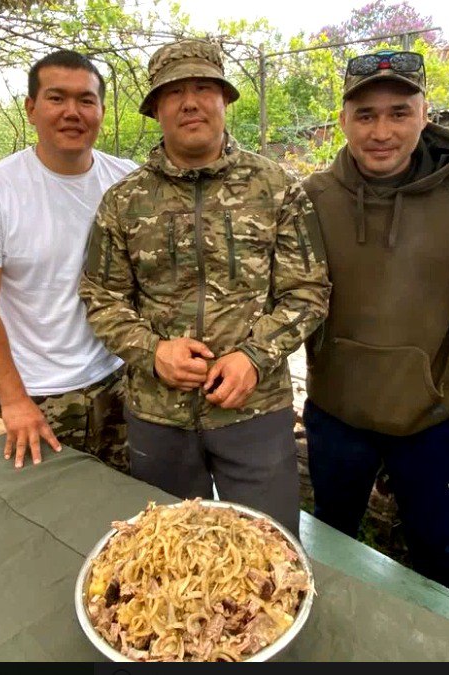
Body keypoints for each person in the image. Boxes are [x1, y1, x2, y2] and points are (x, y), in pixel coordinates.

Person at [78, 39, 331, 537]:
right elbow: (100, 297)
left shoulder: (275, 186)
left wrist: (255, 357)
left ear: (224, 99)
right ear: (155, 109)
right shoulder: (124, 201)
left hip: (253, 410)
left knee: (269, 548)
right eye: (174, 93)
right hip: (158, 414)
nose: (189, 102)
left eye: (203, 88)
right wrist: (152, 352)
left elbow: (309, 290)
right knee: (170, 552)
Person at [301, 49, 449, 597]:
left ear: (425, 115)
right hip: (337, 415)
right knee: (333, 540)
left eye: (398, 113)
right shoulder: (313, 198)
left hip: (429, 420)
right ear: (343, 121)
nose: (381, 130)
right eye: (365, 115)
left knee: (438, 550)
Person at [0, 50, 137, 472]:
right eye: (56, 98)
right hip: (40, 395)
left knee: (131, 509)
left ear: (102, 111)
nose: (73, 112)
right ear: (31, 109)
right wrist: (13, 401)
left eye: (86, 100)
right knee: (52, 517)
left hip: (120, 380)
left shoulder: (127, 182)